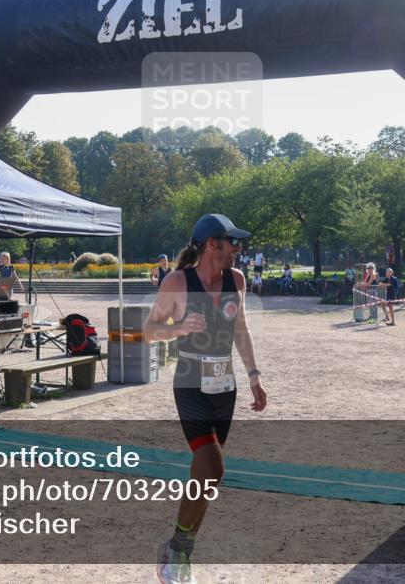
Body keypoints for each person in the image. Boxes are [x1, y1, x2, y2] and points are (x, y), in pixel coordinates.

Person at [145, 213, 267, 584]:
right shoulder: (178, 282)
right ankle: (177, 551)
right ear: (213, 244)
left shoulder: (237, 279)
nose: (238, 248)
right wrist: (179, 327)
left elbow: (241, 330)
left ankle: (178, 551)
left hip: (224, 385)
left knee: (207, 478)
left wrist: (254, 376)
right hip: (190, 382)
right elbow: (150, 331)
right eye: (233, 242)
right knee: (214, 467)